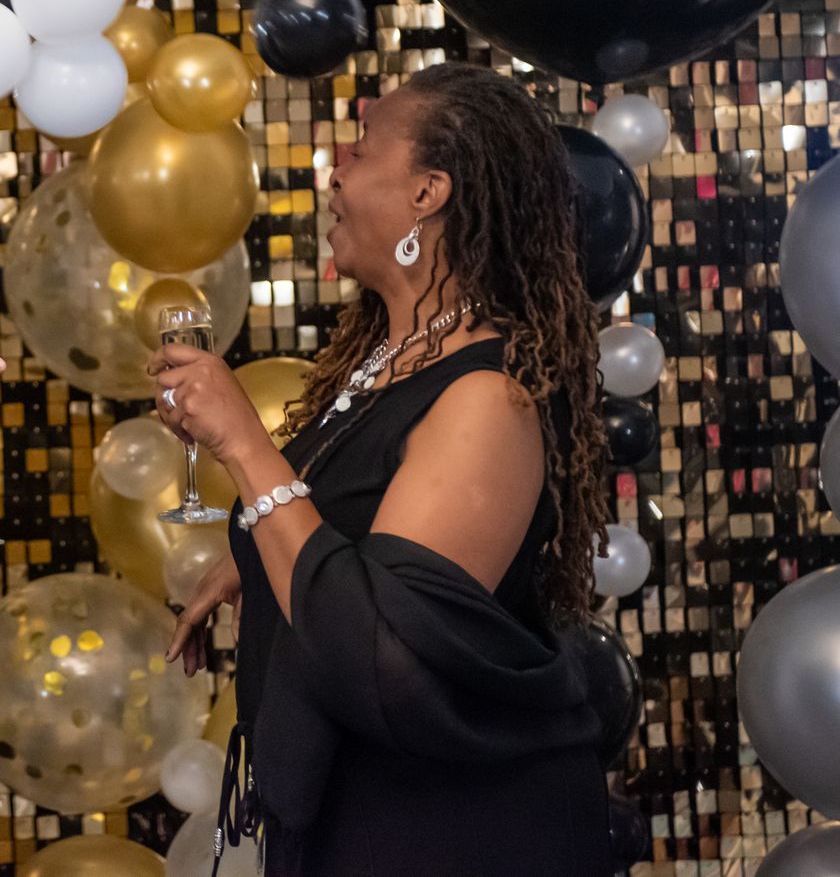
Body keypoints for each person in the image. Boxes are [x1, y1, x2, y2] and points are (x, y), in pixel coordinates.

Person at [156, 63, 613, 876]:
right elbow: (357, 526)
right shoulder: (380, 367)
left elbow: (390, 657)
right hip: (360, 820)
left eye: (362, 150)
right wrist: (253, 556)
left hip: (449, 833)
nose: (336, 171)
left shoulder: (486, 398)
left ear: (427, 193)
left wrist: (244, 446)